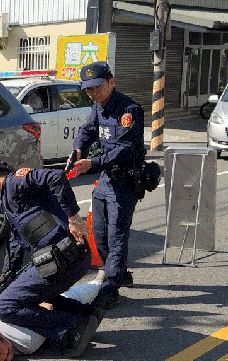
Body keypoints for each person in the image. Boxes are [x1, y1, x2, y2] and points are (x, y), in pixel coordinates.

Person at [0, 158, 102, 361]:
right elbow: (15, 245)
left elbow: (55, 177)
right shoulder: (9, 202)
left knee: (4, 308)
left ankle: (73, 326)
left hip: (66, 259)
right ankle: (85, 314)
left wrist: (74, 219)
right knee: (22, 293)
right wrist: (5, 280)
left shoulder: (15, 182)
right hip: (64, 260)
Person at [71, 61, 145, 310]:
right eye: (89, 90)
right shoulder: (98, 107)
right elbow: (88, 129)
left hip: (124, 181)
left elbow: (124, 150)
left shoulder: (129, 110)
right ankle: (120, 273)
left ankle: (111, 286)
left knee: (116, 237)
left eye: (98, 87)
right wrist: (78, 148)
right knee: (99, 235)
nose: (94, 93)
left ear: (111, 82)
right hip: (105, 179)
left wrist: (91, 163)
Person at [0, 277, 103, 361]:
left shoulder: (27, 342)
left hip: (23, 299)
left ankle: (100, 282)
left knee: (73, 296)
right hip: (24, 306)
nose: (9, 359)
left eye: (9, 352)